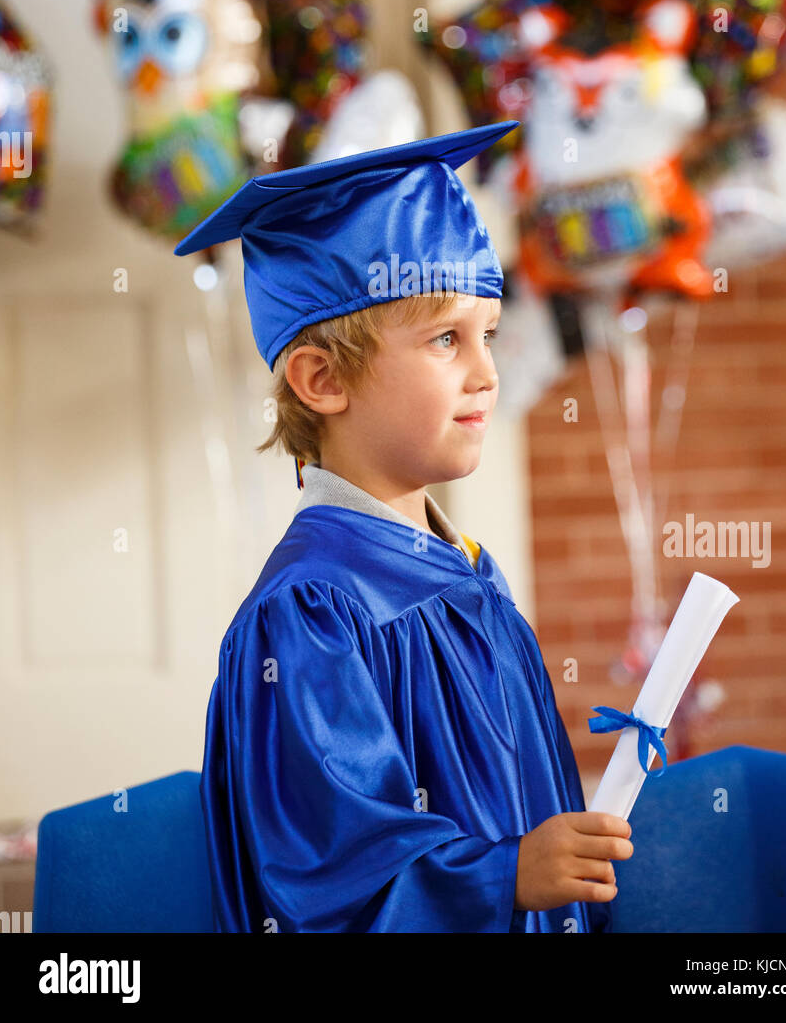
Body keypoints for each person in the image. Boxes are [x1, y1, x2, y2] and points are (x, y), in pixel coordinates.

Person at [175, 118, 633, 933]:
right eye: (446, 340)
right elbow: (328, 881)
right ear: (321, 379)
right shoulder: (313, 614)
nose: (488, 371)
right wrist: (503, 877)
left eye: (488, 334)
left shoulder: (464, 575)